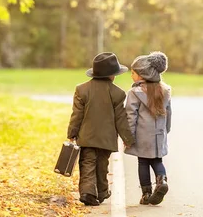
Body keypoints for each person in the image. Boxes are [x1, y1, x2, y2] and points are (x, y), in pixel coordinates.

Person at [67, 52, 135, 206]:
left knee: (87, 164)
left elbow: (76, 115)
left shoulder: (82, 89)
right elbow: (121, 119)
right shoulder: (117, 93)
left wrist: (72, 133)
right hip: (106, 138)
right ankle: (102, 192)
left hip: (86, 137)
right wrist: (128, 139)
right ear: (112, 75)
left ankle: (87, 192)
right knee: (102, 165)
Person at [125, 51, 172, 206]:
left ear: (142, 75)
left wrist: (128, 137)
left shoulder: (134, 93)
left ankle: (146, 194)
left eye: (133, 73)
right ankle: (162, 180)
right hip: (159, 134)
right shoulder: (164, 90)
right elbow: (168, 112)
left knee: (143, 162)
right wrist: (166, 129)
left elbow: (131, 116)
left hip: (142, 135)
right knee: (157, 160)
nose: (131, 76)